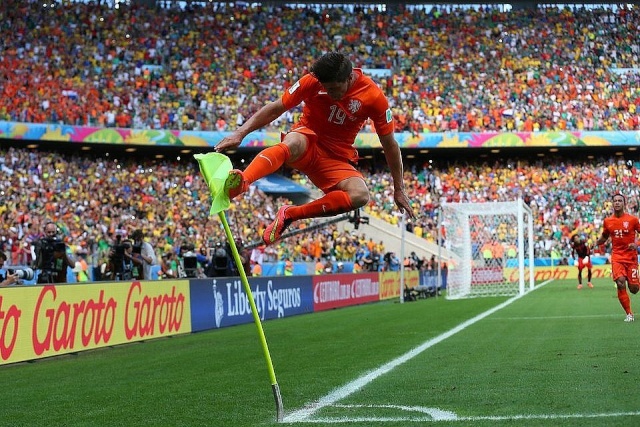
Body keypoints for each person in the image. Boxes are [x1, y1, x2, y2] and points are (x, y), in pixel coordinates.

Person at [214, 51, 414, 245]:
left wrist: (399, 188)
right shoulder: (312, 81)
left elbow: (390, 144)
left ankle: (290, 214)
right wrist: (240, 133)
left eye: (334, 88)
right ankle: (243, 182)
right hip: (306, 139)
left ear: (350, 77)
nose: (330, 93)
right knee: (292, 142)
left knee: (360, 195)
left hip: (335, 156)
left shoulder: (373, 96)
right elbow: (276, 108)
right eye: (326, 88)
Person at [594, 193, 640, 322]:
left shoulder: (633, 220)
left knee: (634, 289)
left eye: (620, 200)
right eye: (615, 201)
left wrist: (636, 244)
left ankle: (636, 282)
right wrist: (596, 243)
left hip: (631, 258)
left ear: (624, 203)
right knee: (620, 282)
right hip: (617, 257)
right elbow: (604, 236)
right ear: (612, 204)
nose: (617, 203)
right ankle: (629, 314)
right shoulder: (608, 221)